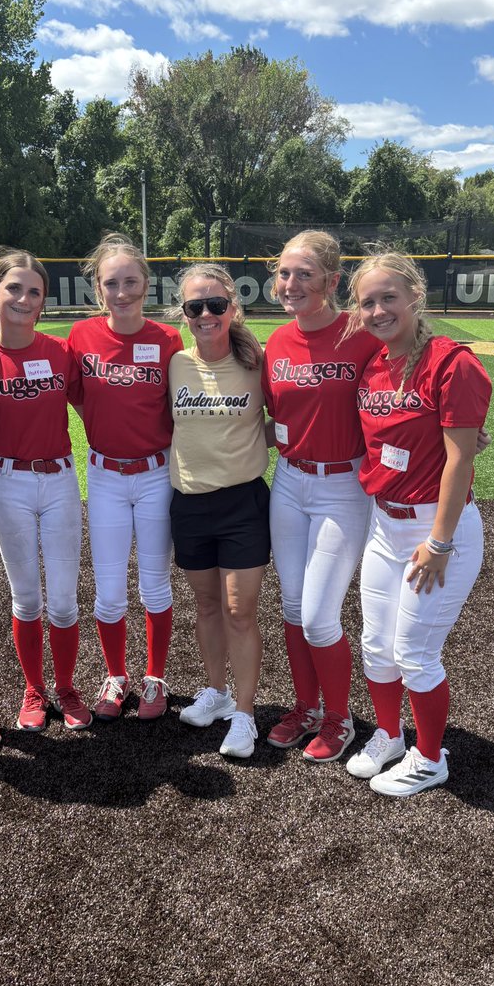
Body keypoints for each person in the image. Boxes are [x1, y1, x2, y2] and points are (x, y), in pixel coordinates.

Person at [344, 250, 491, 796]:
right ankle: (389, 735)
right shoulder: (374, 363)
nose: (378, 310)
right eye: (368, 302)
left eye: (389, 297)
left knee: (416, 653)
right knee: (376, 645)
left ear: (415, 297)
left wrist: (439, 542)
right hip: (385, 525)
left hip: (436, 529)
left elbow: (460, 460)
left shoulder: (452, 362)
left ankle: (430, 759)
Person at [262, 231, 379, 764]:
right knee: (291, 606)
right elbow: (272, 416)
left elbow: (410, 378)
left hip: (343, 485)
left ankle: (339, 717)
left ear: (333, 281)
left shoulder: (362, 334)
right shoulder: (277, 342)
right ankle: (306, 708)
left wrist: (457, 427)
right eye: (284, 273)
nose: (290, 283)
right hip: (289, 481)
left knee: (318, 617)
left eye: (304, 274)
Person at [0, 251, 92, 733]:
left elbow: (92, 406)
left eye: (34, 291)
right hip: (9, 482)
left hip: (60, 479)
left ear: (44, 301)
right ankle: (34, 689)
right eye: (14, 288)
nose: (23, 298)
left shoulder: (60, 351)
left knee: (63, 600)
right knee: (25, 600)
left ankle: (66, 687)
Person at [67, 234, 183, 720]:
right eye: (111, 283)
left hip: (156, 474)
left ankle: (155, 677)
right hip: (106, 475)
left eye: (130, 281)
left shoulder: (168, 339)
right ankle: (116, 676)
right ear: (98, 287)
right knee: (110, 591)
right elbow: (75, 395)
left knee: (155, 585)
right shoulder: (81, 336)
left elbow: (180, 406)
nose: (121, 292)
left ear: (146, 283)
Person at [169, 264, 271, 759]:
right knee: (207, 606)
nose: (206, 314)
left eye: (215, 305)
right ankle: (217, 691)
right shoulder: (175, 364)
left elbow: (299, 413)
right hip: (189, 503)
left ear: (232, 307)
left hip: (241, 503)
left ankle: (245, 715)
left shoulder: (257, 363)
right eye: (195, 306)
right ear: (184, 312)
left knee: (238, 610)